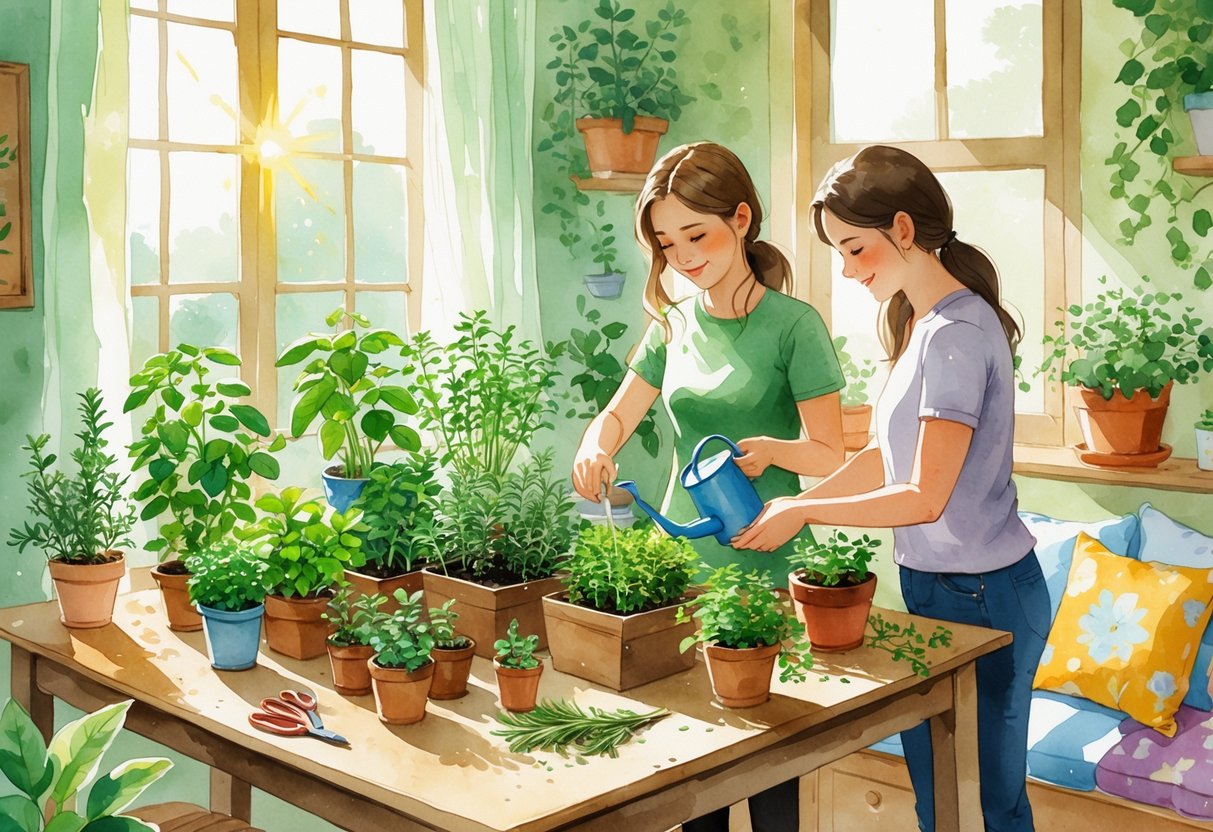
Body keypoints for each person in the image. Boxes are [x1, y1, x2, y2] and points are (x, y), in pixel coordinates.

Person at [733, 144, 1051, 832]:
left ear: (902, 230)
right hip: (938, 587)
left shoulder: (957, 336)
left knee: (986, 800)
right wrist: (797, 500)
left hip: (987, 594)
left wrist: (803, 509)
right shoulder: (919, 323)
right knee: (941, 794)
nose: (846, 271)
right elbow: (886, 455)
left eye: (854, 249)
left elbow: (922, 495)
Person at [570, 141, 847, 832]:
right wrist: (594, 443)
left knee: (769, 764)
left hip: (768, 562)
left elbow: (828, 454)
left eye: (696, 234)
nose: (683, 257)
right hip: (684, 566)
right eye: (666, 244)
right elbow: (620, 411)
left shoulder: (794, 326)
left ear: (742, 220)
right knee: (693, 763)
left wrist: (775, 450)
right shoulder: (672, 325)